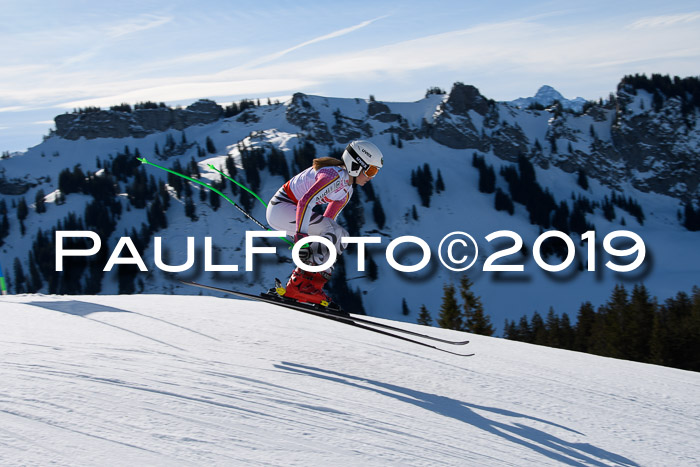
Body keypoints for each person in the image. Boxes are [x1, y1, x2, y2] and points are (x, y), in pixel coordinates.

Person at [266, 140, 384, 306]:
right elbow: (305, 202)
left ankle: (311, 287)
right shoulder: (333, 175)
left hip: (293, 212)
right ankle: (298, 285)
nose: (371, 177)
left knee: (341, 236)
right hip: (281, 207)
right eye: (371, 170)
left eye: (375, 172)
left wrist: (317, 246)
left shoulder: (346, 190)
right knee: (331, 231)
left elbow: (329, 223)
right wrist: (301, 237)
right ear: (357, 164)